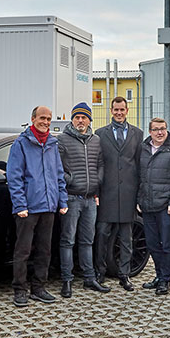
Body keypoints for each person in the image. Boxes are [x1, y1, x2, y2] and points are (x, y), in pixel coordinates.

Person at [7, 105, 68, 307]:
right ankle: (20, 290)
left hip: (49, 206)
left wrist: (62, 201)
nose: (46, 122)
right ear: (33, 119)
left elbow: (59, 175)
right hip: (28, 209)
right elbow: (14, 178)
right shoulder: (21, 144)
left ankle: (39, 288)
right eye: (42, 118)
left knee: (45, 250)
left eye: (49, 119)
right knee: (23, 251)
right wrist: (20, 205)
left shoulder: (52, 143)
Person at [57, 102, 111, 298]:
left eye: (84, 117)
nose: (80, 120)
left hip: (90, 199)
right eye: (77, 117)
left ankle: (89, 278)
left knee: (88, 240)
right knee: (67, 241)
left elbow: (101, 163)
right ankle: (67, 280)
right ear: (72, 119)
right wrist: (70, 180)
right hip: (71, 198)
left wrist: (97, 181)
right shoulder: (62, 140)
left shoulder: (96, 140)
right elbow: (57, 169)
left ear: (89, 119)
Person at [95, 96, 143, 291]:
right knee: (102, 235)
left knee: (126, 237)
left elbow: (140, 165)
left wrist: (138, 195)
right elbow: (98, 164)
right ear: (111, 110)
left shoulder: (137, 134)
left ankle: (124, 274)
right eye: (116, 110)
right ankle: (100, 272)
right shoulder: (100, 134)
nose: (119, 113)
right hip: (107, 193)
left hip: (128, 194)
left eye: (122, 109)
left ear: (127, 110)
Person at [138, 118, 170, 295]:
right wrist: (139, 199)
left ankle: (166, 280)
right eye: (156, 129)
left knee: (167, 245)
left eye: (163, 129)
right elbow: (140, 176)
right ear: (150, 131)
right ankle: (158, 275)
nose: (160, 132)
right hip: (147, 205)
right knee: (152, 244)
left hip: (166, 207)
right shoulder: (143, 149)